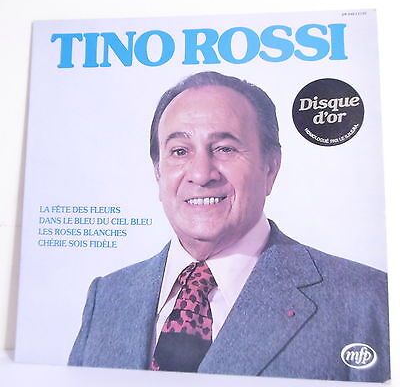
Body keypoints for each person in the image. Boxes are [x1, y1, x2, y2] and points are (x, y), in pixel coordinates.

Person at [68, 71, 390, 382]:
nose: (201, 174)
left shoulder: (368, 301)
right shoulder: (107, 296)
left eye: (225, 149)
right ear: (158, 173)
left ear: (270, 168)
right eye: (180, 151)